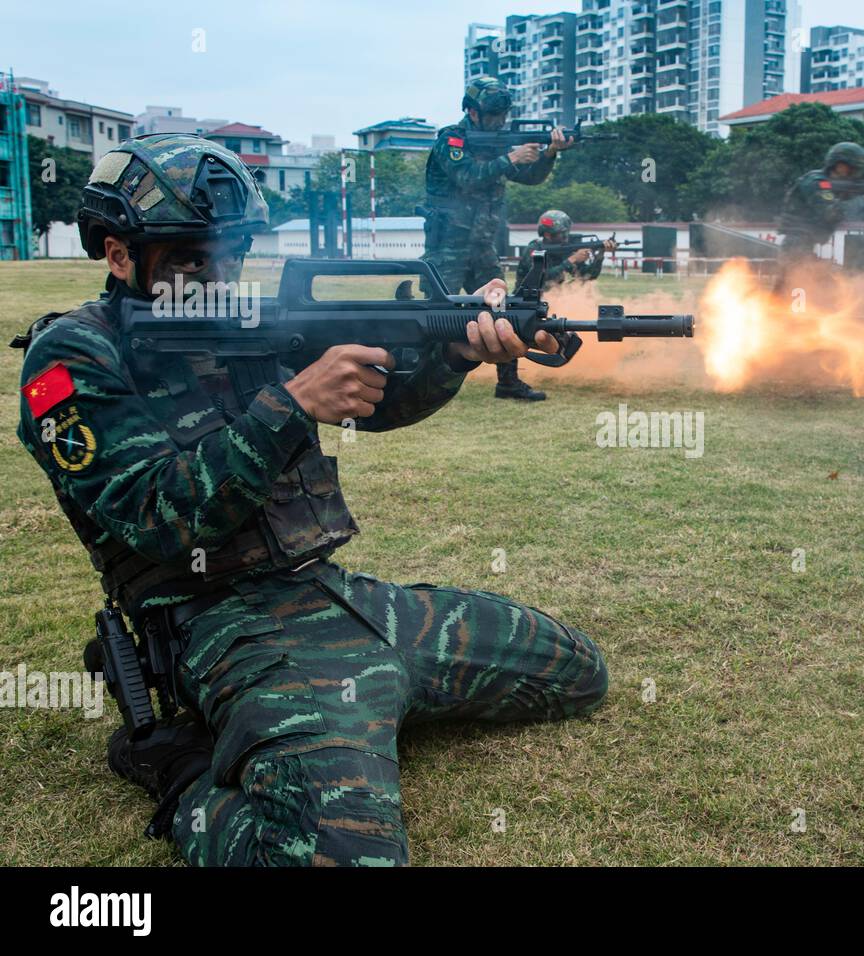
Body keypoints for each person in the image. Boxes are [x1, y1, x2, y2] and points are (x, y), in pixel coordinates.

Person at [13, 134, 607, 866]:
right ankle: (183, 774)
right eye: (192, 254)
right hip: (221, 628)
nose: (219, 268)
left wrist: (454, 354)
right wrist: (290, 405)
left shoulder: (248, 320)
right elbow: (155, 515)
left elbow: (378, 404)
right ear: (117, 253)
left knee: (576, 670)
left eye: (230, 248)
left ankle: (366, 701)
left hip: (332, 596)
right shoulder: (73, 359)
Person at [422, 76, 573, 402]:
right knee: (435, 315)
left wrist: (550, 154)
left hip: (482, 245)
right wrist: (510, 158)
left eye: (502, 115)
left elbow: (529, 177)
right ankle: (419, 381)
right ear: (473, 112)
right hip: (447, 245)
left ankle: (508, 382)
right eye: (492, 115)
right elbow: (466, 178)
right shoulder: (452, 140)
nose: (499, 121)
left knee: (503, 309)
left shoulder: (498, 143)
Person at [774, 141, 864, 294]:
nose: (855, 172)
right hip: (797, 246)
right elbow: (831, 212)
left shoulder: (833, 185)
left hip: (802, 245)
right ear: (839, 165)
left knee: (790, 292)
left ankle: (776, 315)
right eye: (852, 167)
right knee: (800, 291)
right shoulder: (816, 182)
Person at [514, 209, 616, 293]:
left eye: (567, 233)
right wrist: (571, 260)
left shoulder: (565, 249)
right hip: (527, 300)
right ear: (547, 235)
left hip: (552, 300)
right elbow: (543, 278)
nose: (566, 238)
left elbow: (588, 276)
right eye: (562, 234)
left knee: (582, 288)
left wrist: (600, 255)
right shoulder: (534, 250)